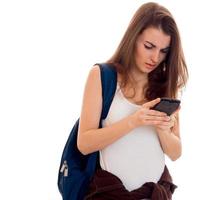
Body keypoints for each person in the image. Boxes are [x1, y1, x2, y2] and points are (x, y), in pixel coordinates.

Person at [77, 2, 188, 199]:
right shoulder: (102, 76)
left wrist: (162, 128)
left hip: (155, 194)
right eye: (149, 46)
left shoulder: (165, 85)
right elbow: (84, 143)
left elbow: (175, 153)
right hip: (109, 194)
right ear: (133, 38)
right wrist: (134, 121)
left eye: (164, 51)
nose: (155, 57)